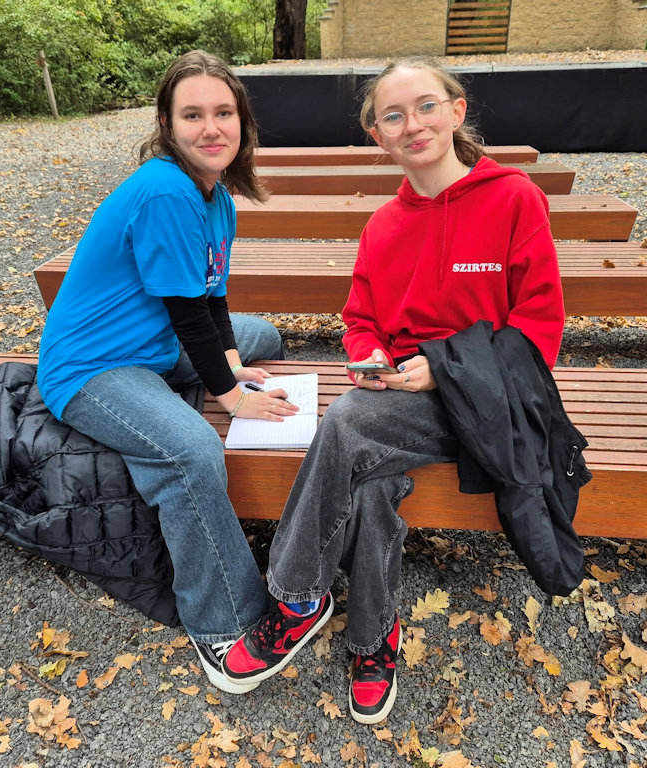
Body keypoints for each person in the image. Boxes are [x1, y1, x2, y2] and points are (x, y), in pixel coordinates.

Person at [221, 56, 567, 723]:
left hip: (491, 402)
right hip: (398, 402)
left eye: (427, 106)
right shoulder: (383, 226)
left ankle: (296, 598)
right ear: (377, 134)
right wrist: (371, 356)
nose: (414, 124)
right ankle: (374, 640)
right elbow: (360, 320)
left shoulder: (514, 199)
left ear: (457, 111)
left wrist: (444, 368)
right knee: (372, 478)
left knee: (350, 422)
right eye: (394, 115)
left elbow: (538, 331)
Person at [36, 50, 299, 695]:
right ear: (167, 124)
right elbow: (189, 315)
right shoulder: (164, 191)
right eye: (192, 115)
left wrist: (231, 362)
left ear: (242, 122)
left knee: (263, 337)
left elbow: (212, 298)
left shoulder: (217, 197)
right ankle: (222, 622)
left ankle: (181, 386)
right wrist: (231, 395)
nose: (211, 128)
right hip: (95, 364)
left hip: (152, 342)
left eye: (223, 113)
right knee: (190, 452)